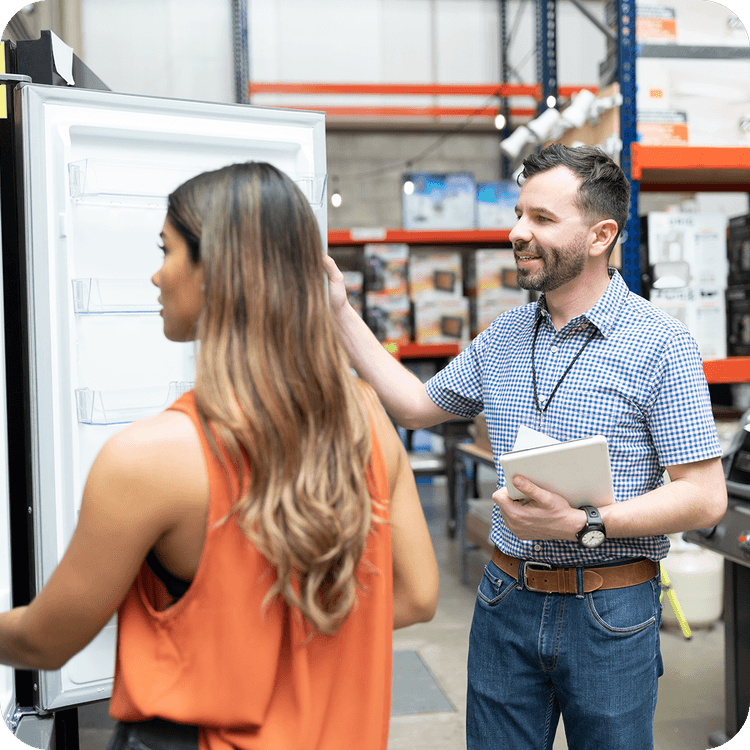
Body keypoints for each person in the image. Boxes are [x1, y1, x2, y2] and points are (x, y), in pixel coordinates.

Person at [0, 162, 439, 750]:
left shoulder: (151, 459)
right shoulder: (367, 421)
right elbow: (415, 595)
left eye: (167, 251)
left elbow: (45, 641)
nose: (157, 276)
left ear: (218, 273)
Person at [323, 143, 727, 750]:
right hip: (505, 599)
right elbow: (414, 405)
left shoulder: (659, 344)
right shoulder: (506, 334)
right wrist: (339, 313)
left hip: (611, 610)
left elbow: (704, 497)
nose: (517, 232)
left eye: (541, 219)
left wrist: (585, 523)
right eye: (518, 214)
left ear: (600, 235)